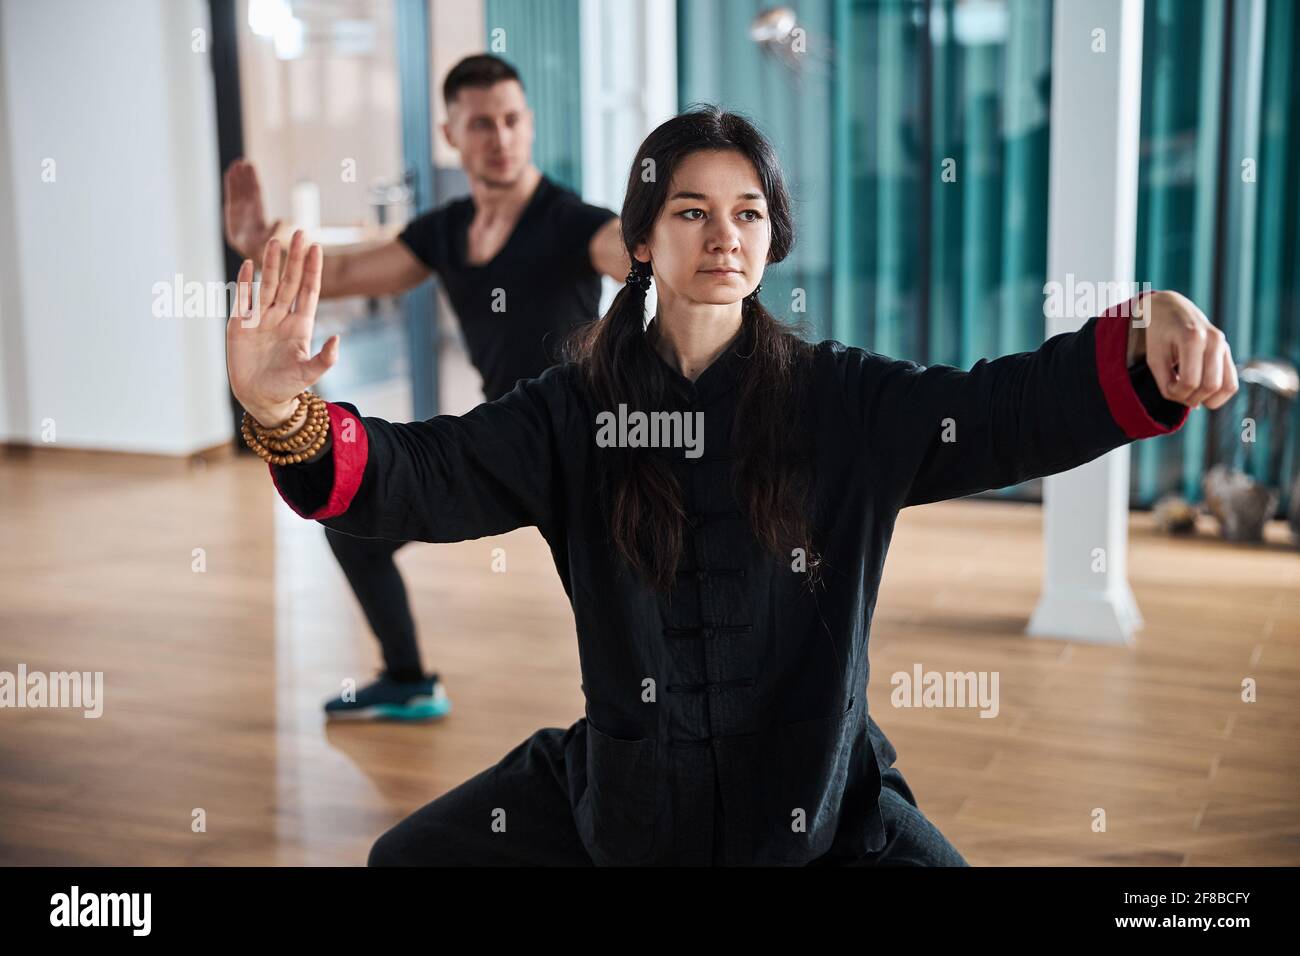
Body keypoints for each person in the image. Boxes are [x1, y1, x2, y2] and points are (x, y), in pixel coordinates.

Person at [227, 106, 1237, 865]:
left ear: (772, 237)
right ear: (641, 240)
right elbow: (425, 472)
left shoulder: (842, 400)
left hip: (819, 805)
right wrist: (281, 412)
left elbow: (1003, 409)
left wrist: (1148, 324)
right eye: (692, 211)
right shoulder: (569, 413)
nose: (724, 236)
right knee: (404, 859)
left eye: (747, 213)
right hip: (631, 802)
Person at [224, 54, 629, 720]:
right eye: (480, 124)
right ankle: (408, 678)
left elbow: (623, 246)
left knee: (617, 608)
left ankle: (655, 735)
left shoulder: (573, 222)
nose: (499, 138)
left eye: (511, 120)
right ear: (451, 135)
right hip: (501, 442)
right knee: (351, 527)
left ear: (528, 124)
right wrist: (259, 241)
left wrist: (666, 239)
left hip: (586, 446)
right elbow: (348, 271)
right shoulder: (445, 231)